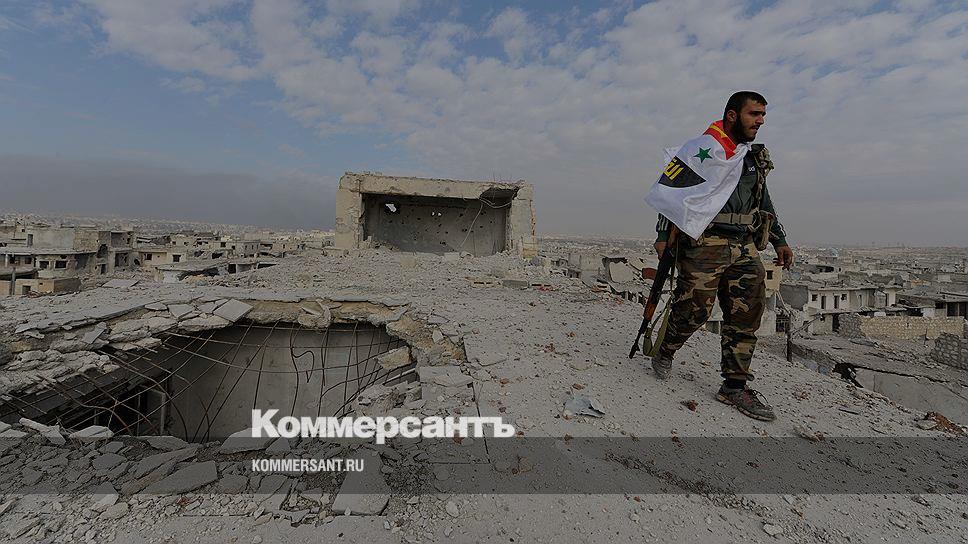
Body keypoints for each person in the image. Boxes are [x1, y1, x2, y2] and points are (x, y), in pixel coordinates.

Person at [651, 91, 793, 422]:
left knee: (746, 314)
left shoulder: (752, 158)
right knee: (694, 309)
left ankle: (734, 386)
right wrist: (662, 236)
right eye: (754, 114)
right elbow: (672, 194)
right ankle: (666, 349)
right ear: (732, 115)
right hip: (705, 241)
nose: (760, 121)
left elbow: (763, 201)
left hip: (744, 243)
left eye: (763, 115)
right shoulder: (702, 151)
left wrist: (780, 240)